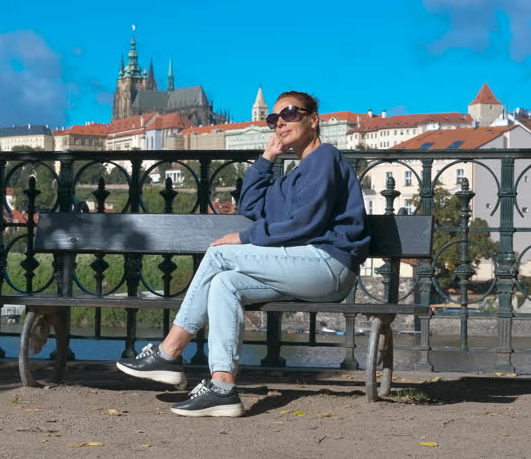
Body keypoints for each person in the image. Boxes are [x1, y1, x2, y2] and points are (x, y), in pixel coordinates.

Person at [116, 91, 370, 417]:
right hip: (305, 266)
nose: (280, 123)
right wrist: (266, 159)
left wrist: (244, 237)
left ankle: (169, 351)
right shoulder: (295, 175)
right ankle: (222, 387)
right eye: (273, 119)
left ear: (314, 118)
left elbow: (307, 223)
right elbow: (250, 206)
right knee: (225, 283)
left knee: (220, 253)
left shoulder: (326, 158)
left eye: (290, 114)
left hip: (331, 264)